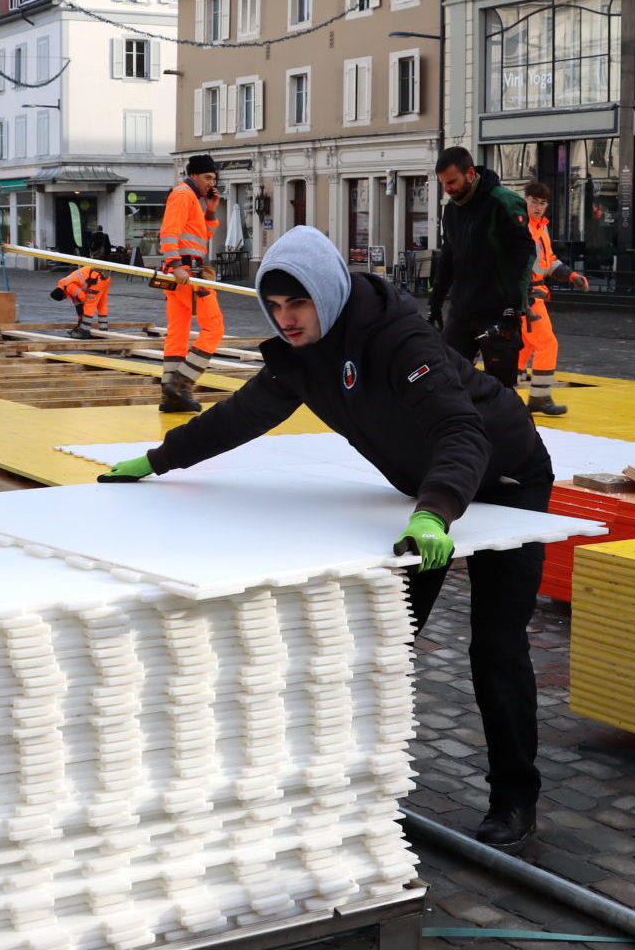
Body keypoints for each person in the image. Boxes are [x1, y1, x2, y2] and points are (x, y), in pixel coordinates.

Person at [99, 225, 554, 849]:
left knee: (495, 647)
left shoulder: (398, 339)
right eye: (276, 307)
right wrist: (159, 459)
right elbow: (242, 415)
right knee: (387, 638)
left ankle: (514, 800)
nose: (287, 319)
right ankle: (362, 789)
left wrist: (435, 512)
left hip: (504, 480)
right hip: (429, 492)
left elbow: (462, 431)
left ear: (328, 293)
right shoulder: (300, 357)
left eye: (299, 304)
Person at [427, 147, 535, 391]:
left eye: (452, 182)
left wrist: (513, 306)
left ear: (471, 173)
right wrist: (435, 301)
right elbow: (449, 257)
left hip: (497, 310)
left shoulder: (502, 202)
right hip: (462, 310)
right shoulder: (452, 210)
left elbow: (524, 253)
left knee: (501, 393)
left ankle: (513, 429)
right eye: (443, 183)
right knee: (447, 382)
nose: (448, 189)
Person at [156, 154, 226, 413]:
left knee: (178, 331)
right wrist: (175, 266)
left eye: (214, 179)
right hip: (187, 272)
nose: (211, 183)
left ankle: (170, 396)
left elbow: (201, 236)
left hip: (182, 272)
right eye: (207, 177)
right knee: (214, 327)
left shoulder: (191, 199)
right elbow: (168, 232)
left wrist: (210, 210)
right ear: (194, 174)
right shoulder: (184, 195)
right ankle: (180, 386)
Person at [519, 181, 590, 416]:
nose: (538, 207)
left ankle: (504, 392)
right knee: (547, 344)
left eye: (542, 203)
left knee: (523, 346)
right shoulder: (523, 227)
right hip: (526, 295)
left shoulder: (540, 228)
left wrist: (571, 275)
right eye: (534, 201)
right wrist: (526, 291)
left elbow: (548, 261)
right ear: (525, 199)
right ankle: (539, 397)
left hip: (530, 294)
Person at [51, 264, 111, 338]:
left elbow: (83, 298)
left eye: (64, 298)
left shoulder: (69, 287)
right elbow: (78, 306)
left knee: (89, 304)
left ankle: (84, 331)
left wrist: (88, 314)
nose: (66, 298)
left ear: (63, 295)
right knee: (102, 304)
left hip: (96, 279)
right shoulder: (65, 284)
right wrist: (79, 324)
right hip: (104, 277)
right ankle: (103, 330)